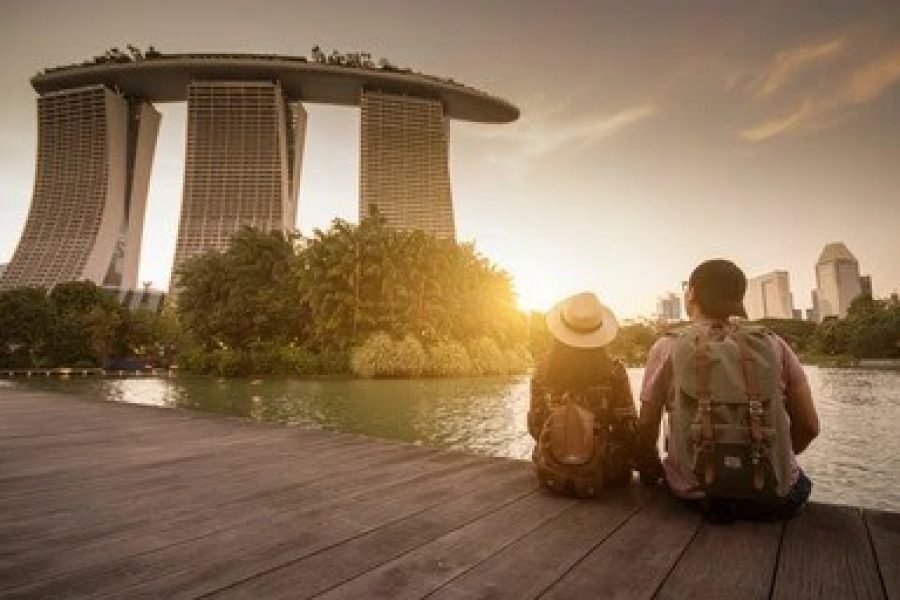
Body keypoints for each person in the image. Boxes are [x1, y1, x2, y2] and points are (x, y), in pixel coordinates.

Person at [639, 259, 820, 520]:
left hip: (695, 494)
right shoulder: (773, 343)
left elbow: (646, 428)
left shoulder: (667, 346)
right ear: (739, 298)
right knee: (795, 484)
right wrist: (766, 459)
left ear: (691, 293)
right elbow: (809, 426)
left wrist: (653, 471)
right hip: (773, 498)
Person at [529, 292, 648, 496]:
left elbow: (535, 426)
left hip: (552, 471)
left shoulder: (543, 371)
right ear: (599, 332)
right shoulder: (613, 371)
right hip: (605, 473)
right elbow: (628, 428)